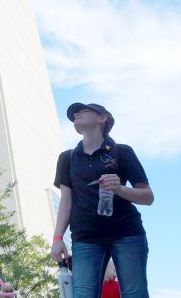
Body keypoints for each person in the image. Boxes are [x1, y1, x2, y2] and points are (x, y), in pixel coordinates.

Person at [51, 103, 154, 298]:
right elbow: (66, 201)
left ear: (102, 118)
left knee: (135, 293)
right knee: (82, 295)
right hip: (85, 238)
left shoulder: (122, 152)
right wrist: (57, 239)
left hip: (126, 233)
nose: (76, 113)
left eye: (83, 110)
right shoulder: (67, 158)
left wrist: (119, 189)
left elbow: (148, 197)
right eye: (75, 113)